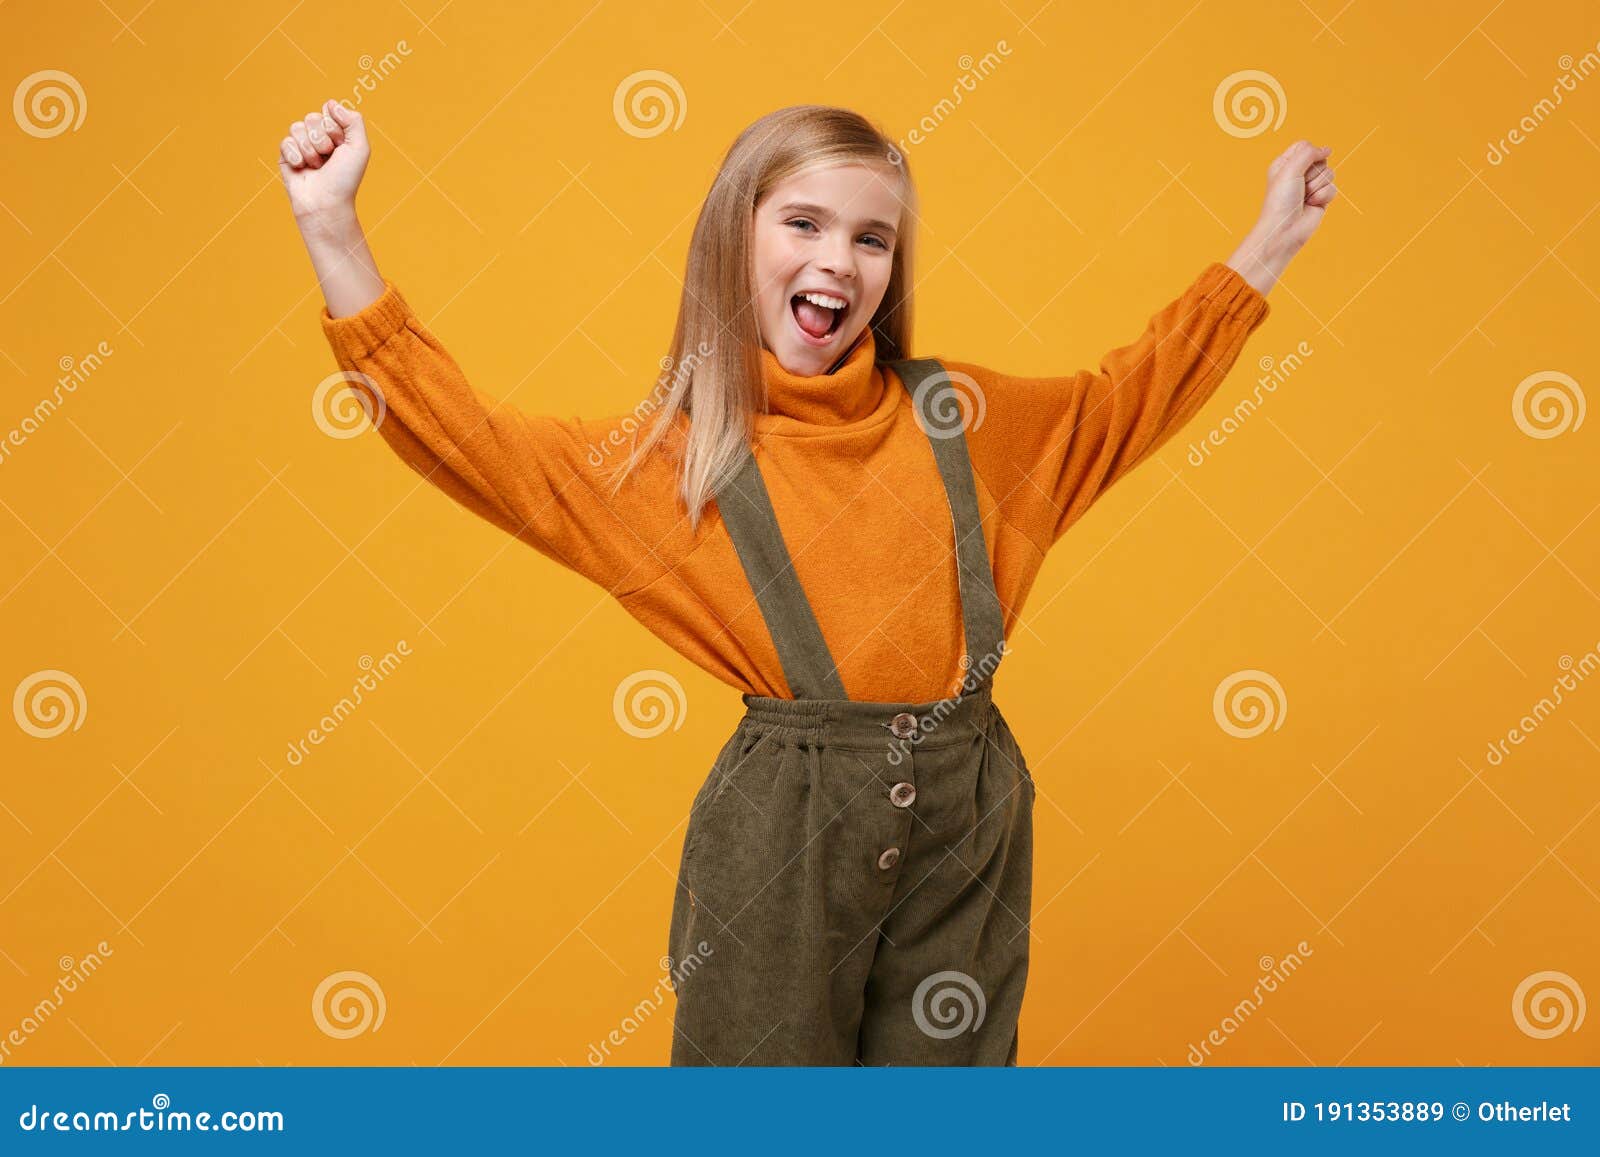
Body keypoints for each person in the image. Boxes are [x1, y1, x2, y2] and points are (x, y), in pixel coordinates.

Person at [276, 99, 1336, 1065]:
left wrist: (1269, 244)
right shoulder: (669, 468)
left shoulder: (965, 421)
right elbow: (464, 439)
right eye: (804, 224)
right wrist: (332, 228)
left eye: (872, 238)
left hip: (970, 821)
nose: (840, 258)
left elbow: (1129, 395)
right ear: (733, 239)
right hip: (777, 850)